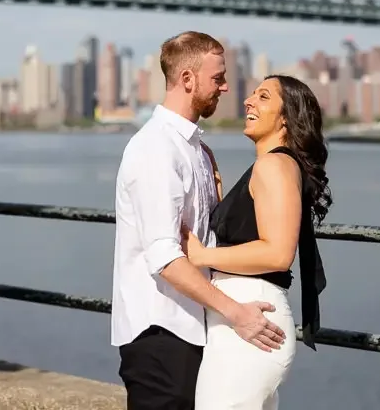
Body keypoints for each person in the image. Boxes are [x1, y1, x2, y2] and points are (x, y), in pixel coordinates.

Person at [111, 31, 287, 410]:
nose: (226, 88)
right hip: (161, 333)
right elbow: (164, 257)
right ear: (187, 80)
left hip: (194, 328)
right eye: (218, 78)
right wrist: (238, 313)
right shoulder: (156, 149)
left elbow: (206, 242)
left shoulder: (196, 150)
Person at [182, 74, 331, 409]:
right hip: (245, 321)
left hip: (252, 324)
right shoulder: (273, 166)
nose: (248, 101)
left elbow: (278, 253)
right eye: (252, 94)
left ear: (285, 118)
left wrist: (202, 256)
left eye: (263, 97)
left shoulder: (274, 165)